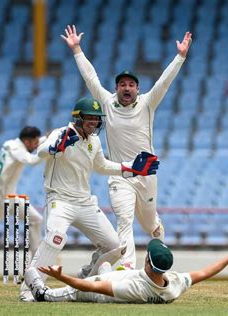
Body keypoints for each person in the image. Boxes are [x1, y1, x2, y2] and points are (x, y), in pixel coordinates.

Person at [61, 24, 192, 269]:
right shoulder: (107, 104)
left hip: (147, 174)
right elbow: (91, 78)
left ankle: (156, 240)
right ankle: (128, 266)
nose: (127, 88)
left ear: (138, 89)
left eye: (131, 84)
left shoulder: (147, 103)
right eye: (122, 84)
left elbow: (164, 82)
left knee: (149, 223)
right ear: (116, 88)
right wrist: (77, 48)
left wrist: (180, 56)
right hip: (121, 174)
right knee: (124, 218)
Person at [19, 97, 160, 301]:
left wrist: (130, 168)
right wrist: (55, 147)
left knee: (115, 246)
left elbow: (102, 166)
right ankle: (28, 289)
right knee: (56, 238)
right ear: (78, 118)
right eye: (90, 118)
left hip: (84, 202)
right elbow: (41, 151)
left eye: (97, 119)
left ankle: (87, 277)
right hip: (60, 200)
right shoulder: (62, 134)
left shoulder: (93, 140)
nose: (94, 123)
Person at [24, 238, 228, 303]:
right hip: (116, 275)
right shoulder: (174, 284)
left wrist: (62, 277)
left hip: (98, 289)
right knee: (107, 261)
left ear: (149, 264)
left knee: (32, 275)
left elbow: (90, 286)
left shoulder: (132, 288)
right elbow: (204, 272)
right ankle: (96, 266)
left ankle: (42, 294)